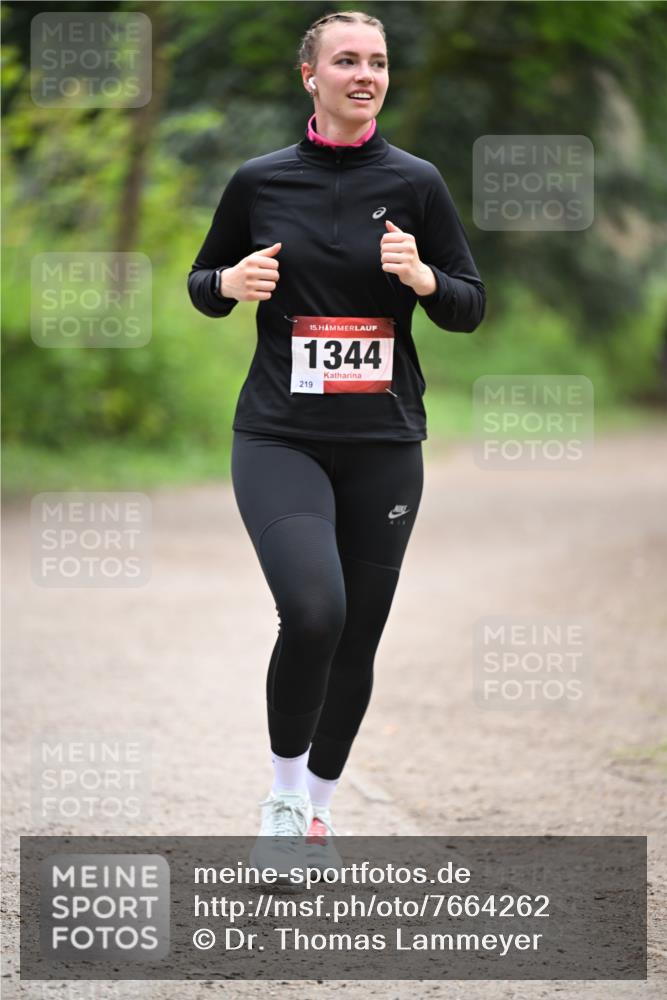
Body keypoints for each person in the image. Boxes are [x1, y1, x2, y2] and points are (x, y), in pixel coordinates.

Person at [187, 9, 485, 872]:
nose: (365, 75)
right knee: (315, 611)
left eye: (378, 62)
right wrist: (230, 280)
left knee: (357, 635)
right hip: (279, 435)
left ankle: (317, 810)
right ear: (309, 76)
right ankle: (281, 799)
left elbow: (468, 305)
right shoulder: (259, 181)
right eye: (346, 60)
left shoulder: (417, 183)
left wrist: (423, 278)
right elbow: (202, 283)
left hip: (383, 441)